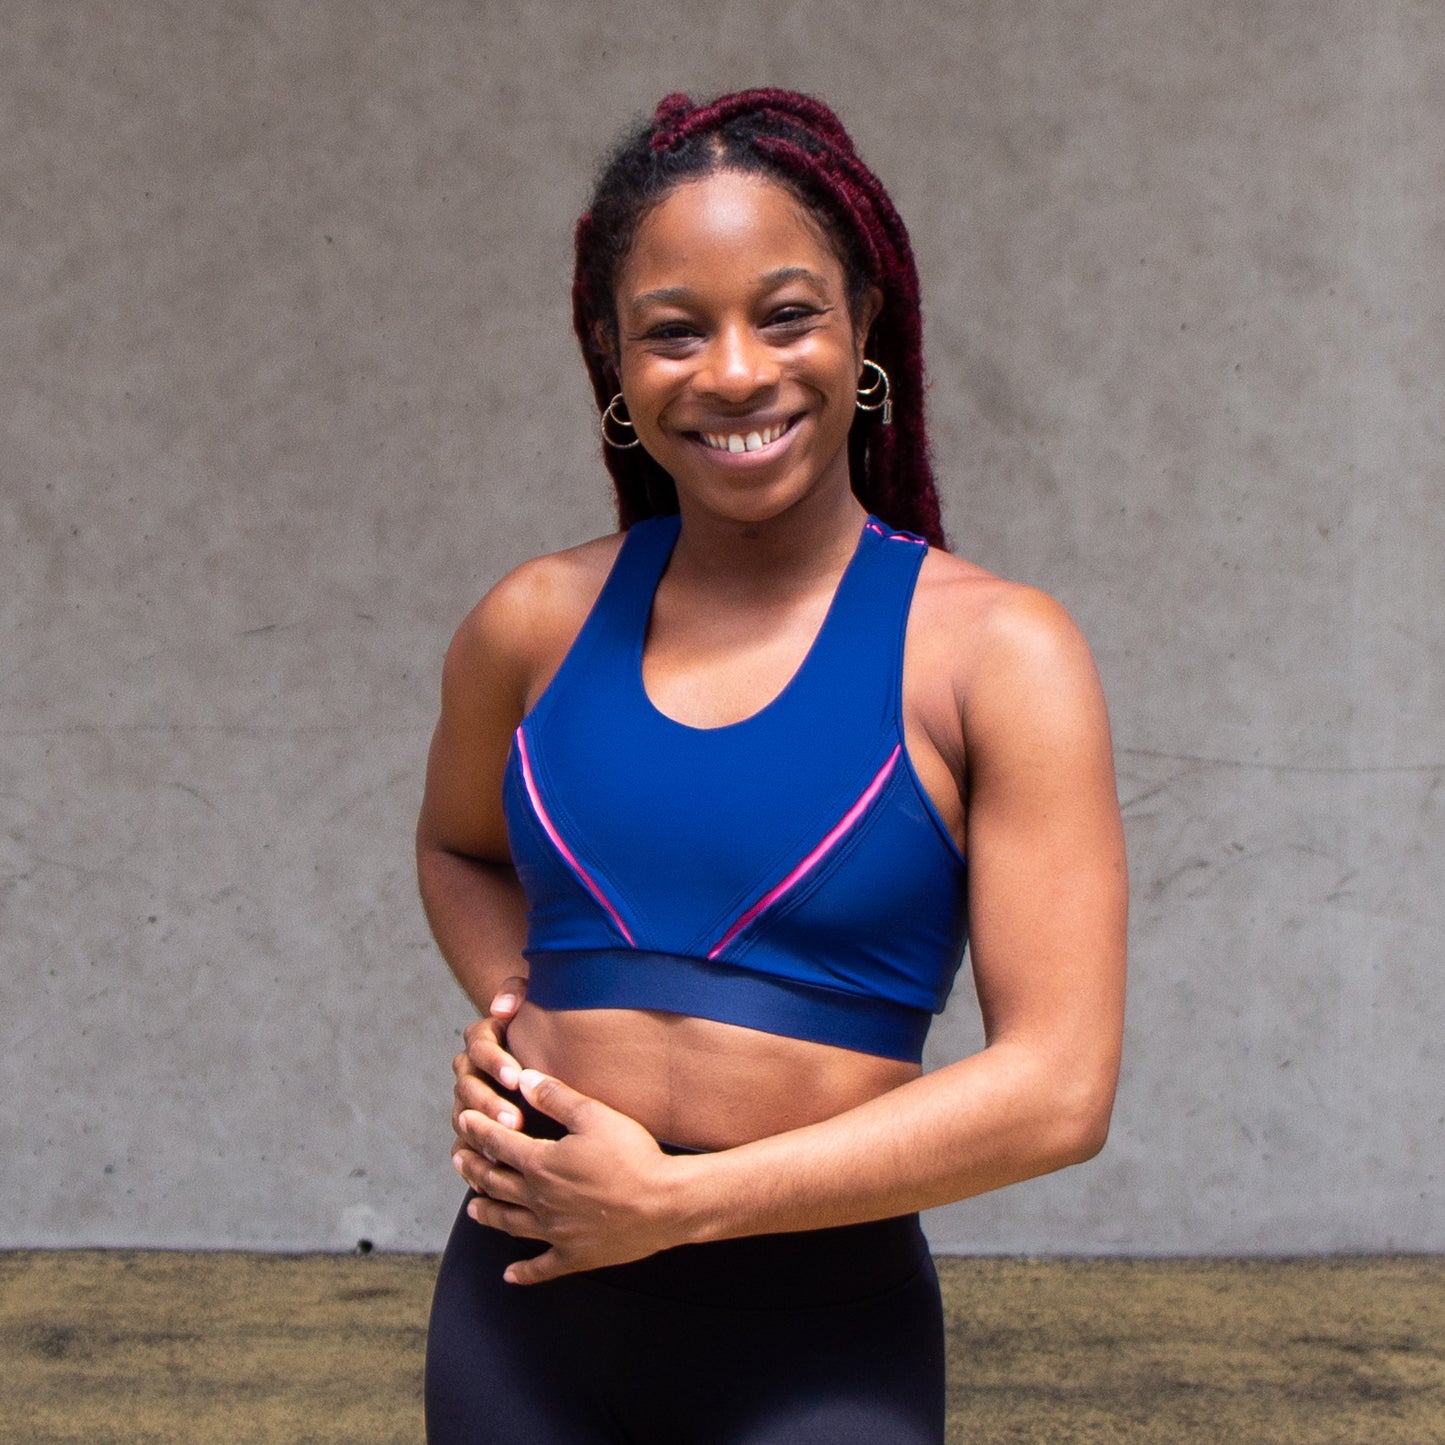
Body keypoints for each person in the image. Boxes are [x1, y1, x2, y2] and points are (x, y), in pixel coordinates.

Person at [417, 89, 1127, 1444]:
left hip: (818, 1327)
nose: (735, 371)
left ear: (865, 323)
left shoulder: (992, 653)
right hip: (526, 1294)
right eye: (673, 330)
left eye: (785, 312)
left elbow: (1059, 1085)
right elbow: (454, 846)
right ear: (610, 358)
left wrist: (678, 1202)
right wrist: (519, 1014)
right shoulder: (531, 624)